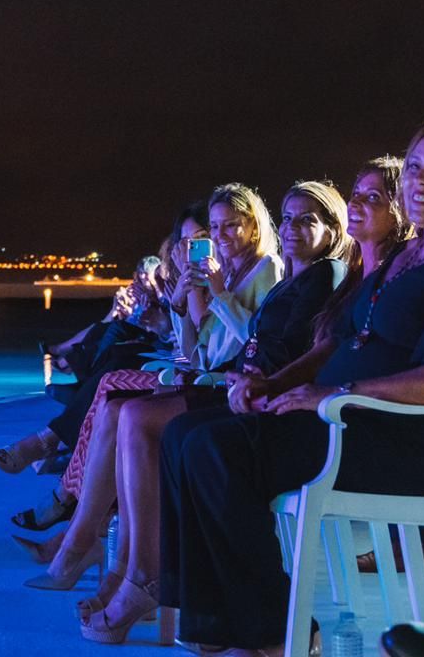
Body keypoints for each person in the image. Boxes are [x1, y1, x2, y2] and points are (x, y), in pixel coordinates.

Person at [158, 115, 424, 657]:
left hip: (402, 440)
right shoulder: (407, 256)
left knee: (217, 450)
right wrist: (271, 384)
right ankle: (219, 623)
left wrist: (335, 395)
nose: (418, 181)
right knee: (185, 433)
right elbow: (334, 343)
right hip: (344, 417)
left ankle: (275, 632)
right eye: (413, 169)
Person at [23, 183, 281, 588]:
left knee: (119, 397)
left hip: (223, 387)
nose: (220, 237)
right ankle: (84, 540)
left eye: (231, 226)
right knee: (110, 404)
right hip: (202, 376)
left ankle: (90, 540)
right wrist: (183, 297)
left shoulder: (265, 269)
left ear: (253, 226)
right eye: (215, 229)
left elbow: (251, 339)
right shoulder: (228, 271)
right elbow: (196, 351)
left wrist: (213, 292)